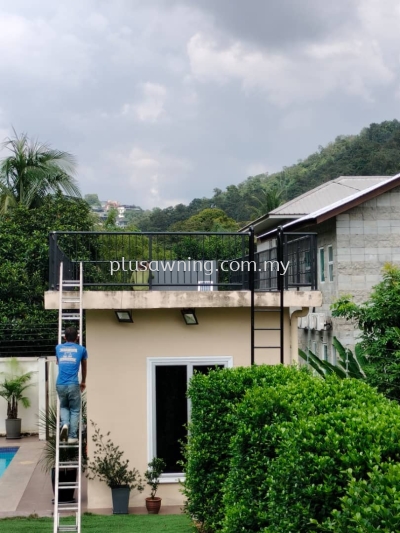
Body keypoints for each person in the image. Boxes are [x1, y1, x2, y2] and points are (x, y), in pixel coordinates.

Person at [55, 326, 88, 444]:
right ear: (77, 337)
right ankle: (72, 436)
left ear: (64, 337)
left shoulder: (58, 348)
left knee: (64, 406)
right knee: (74, 410)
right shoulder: (82, 349)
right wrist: (83, 381)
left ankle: (65, 424)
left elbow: (58, 362)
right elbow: (84, 367)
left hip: (60, 384)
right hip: (73, 384)